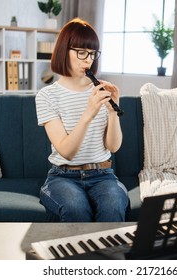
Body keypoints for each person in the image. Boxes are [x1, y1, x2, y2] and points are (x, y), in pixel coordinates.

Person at [35, 18, 129, 222]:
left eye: (93, 54)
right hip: (62, 177)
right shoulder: (47, 96)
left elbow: (113, 147)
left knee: (113, 206)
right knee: (75, 208)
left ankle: (110, 255)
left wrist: (113, 113)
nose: (88, 60)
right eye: (81, 53)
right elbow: (67, 152)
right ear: (63, 50)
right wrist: (89, 113)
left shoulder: (99, 90)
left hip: (103, 174)